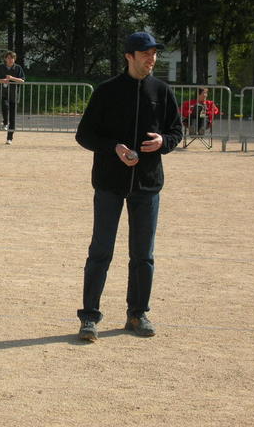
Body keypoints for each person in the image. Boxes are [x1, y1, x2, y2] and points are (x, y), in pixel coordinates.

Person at [75, 32, 182, 341]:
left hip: (147, 185)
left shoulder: (162, 91)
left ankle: (137, 314)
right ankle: (89, 317)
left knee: (143, 255)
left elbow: (176, 131)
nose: (152, 59)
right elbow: (84, 135)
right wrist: (114, 147)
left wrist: (163, 142)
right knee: (100, 251)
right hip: (109, 184)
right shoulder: (106, 91)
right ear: (129, 56)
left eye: (154, 54)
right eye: (146, 53)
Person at [0, 51, 25, 144]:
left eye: (12, 58)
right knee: (5, 106)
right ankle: (5, 122)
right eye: (8, 58)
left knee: (12, 117)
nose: (10, 60)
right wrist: (1, 80)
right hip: (3, 93)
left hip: (14, 95)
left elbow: (22, 80)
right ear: (5, 59)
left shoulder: (18, 68)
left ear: (14, 59)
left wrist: (12, 78)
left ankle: (9, 138)